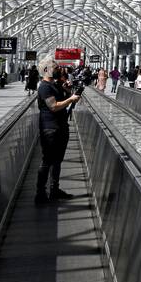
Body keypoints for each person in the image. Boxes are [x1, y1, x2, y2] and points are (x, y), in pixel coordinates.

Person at [35, 61, 81, 205]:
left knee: (57, 160)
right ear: (47, 70)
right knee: (47, 161)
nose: (59, 69)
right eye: (56, 68)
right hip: (50, 129)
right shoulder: (44, 87)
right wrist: (70, 99)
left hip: (60, 127)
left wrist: (67, 92)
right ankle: (40, 194)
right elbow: (54, 106)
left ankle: (55, 190)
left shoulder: (54, 85)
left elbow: (61, 102)